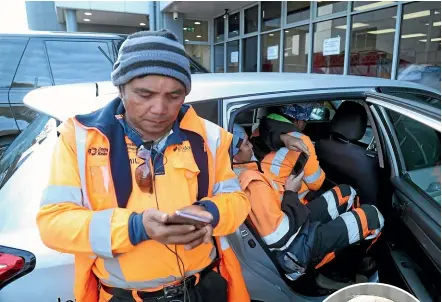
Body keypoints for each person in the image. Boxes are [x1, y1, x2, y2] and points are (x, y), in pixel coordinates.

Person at [37, 29, 251, 302]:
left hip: (204, 289)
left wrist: (210, 213)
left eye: (174, 96)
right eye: (144, 94)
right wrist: (136, 228)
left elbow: (237, 200)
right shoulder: (78, 139)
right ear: (121, 88)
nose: (160, 108)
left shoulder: (211, 137)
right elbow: (53, 224)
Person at [233, 125, 384, 283]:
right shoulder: (252, 184)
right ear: (234, 156)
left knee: (346, 192)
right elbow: (280, 238)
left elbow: (264, 134)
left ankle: (343, 248)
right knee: (373, 217)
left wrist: (283, 137)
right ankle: (349, 269)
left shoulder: (244, 165)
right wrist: (291, 193)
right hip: (295, 250)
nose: (250, 144)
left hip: (294, 222)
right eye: (245, 144)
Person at [252, 104, 326, 204]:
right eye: (305, 121)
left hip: (257, 190)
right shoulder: (301, 140)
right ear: (299, 121)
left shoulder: (260, 129)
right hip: (281, 200)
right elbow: (316, 183)